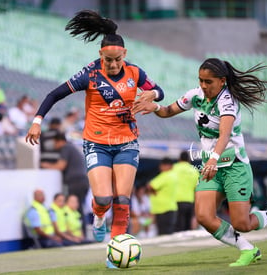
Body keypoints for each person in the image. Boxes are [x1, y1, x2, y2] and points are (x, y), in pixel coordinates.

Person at [25, 9, 164, 255]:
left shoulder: (135, 73)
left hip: (127, 143)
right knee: (103, 199)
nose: (112, 64)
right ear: (100, 54)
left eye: (117, 59)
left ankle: (115, 251)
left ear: (125, 54)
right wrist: (37, 121)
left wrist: (152, 94)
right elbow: (54, 94)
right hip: (96, 143)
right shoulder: (89, 74)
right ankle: (98, 217)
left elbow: (159, 91)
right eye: (107, 60)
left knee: (122, 200)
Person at [133, 58, 267, 267]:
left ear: (222, 81)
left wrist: (213, 160)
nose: (203, 85)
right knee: (204, 216)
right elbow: (168, 111)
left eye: (208, 82)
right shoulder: (195, 96)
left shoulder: (228, 102)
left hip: (234, 166)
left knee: (242, 223)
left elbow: (224, 135)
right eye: (200, 80)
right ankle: (248, 249)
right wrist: (154, 106)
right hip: (212, 167)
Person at [147, 157, 178, 235]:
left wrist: (153, 192)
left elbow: (150, 186)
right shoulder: (174, 175)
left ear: (166, 166)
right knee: (169, 233)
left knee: (163, 234)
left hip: (162, 209)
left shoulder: (165, 175)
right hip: (171, 207)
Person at [173, 150, 199, 232]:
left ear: (179, 159)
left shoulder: (174, 168)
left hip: (176, 200)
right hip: (189, 201)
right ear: (188, 160)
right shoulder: (194, 171)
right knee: (187, 228)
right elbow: (197, 188)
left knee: (178, 226)